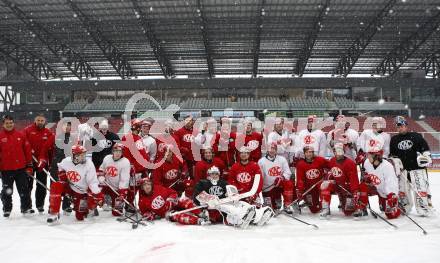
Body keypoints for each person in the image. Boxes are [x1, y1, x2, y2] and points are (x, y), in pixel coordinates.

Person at [193, 166, 272, 228]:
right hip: (213, 208)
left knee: (240, 203)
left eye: (216, 173)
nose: (214, 175)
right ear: (209, 174)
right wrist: (209, 199)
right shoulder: (202, 183)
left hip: (224, 202)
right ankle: (240, 219)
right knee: (227, 209)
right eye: (212, 173)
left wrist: (233, 195)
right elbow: (197, 194)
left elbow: (231, 190)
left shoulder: (223, 183)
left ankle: (257, 216)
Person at [47, 145, 104, 224]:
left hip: (81, 192)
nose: (84, 157)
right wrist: (62, 174)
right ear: (74, 155)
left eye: (84, 155)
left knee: (80, 217)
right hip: (69, 187)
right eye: (81, 155)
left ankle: (91, 207)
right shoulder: (66, 161)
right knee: (56, 185)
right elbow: (60, 167)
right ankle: (54, 212)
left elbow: (92, 182)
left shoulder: (89, 165)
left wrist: (98, 194)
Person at [390, 116, 433, 216]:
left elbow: (425, 149)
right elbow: (392, 155)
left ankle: (423, 208)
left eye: (401, 125)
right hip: (403, 170)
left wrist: (426, 156)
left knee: (420, 189)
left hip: (417, 169)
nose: (400, 128)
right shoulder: (394, 140)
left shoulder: (416, 136)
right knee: (403, 191)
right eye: (398, 126)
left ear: (406, 125)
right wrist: (395, 160)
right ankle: (405, 207)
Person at [138, 177, 210, 225]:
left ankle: (201, 213)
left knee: (185, 201)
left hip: (173, 203)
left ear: (151, 185)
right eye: (144, 185)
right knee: (177, 216)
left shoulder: (158, 188)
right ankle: (198, 221)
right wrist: (149, 215)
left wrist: (171, 199)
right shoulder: (142, 201)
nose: (147, 186)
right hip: (167, 213)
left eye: (148, 184)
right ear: (142, 188)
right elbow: (144, 212)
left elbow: (172, 192)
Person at [0, 115, 34, 217]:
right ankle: (7, 209)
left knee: (24, 189)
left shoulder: (20, 135)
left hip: (21, 169)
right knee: (7, 191)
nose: (9, 125)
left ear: (13, 123)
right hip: (6, 169)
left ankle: (26, 208)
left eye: (11, 122)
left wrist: (29, 165)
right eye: (7, 123)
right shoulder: (0, 136)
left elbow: (27, 152)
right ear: (3, 124)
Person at [23, 114, 55, 214]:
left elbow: (50, 151)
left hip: (42, 163)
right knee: (28, 185)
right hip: (29, 162)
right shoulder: (27, 130)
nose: (40, 122)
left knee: (41, 185)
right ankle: (26, 206)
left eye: (42, 120)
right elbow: (23, 143)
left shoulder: (48, 132)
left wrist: (49, 163)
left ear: (44, 121)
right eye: (38, 120)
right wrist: (28, 151)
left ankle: (40, 205)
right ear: (35, 121)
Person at [320, 143, 361, 219]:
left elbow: (354, 180)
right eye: (336, 151)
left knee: (348, 212)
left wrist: (354, 191)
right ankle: (325, 209)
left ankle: (357, 207)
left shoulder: (350, 163)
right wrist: (328, 178)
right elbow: (331, 172)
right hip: (336, 185)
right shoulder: (332, 160)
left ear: (343, 152)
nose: (338, 153)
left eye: (340, 151)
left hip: (347, 188)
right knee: (325, 186)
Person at [359, 147, 401, 219]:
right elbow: (367, 174)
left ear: (376, 156)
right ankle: (362, 208)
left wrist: (391, 196)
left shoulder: (387, 167)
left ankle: (398, 206)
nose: (367, 157)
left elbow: (391, 183)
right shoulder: (367, 163)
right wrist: (367, 178)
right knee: (362, 186)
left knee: (390, 215)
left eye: (369, 155)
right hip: (376, 187)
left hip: (386, 192)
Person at [121, 119, 150, 213]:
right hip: (135, 169)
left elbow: (142, 152)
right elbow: (125, 154)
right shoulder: (127, 138)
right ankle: (129, 204)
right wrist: (130, 166)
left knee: (143, 188)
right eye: (139, 126)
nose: (140, 128)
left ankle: (144, 204)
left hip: (142, 168)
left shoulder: (138, 138)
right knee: (133, 188)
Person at [258, 143, 294, 211]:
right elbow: (260, 177)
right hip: (268, 188)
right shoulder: (261, 162)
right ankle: (276, 200)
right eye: (270, 149)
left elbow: (288, 172)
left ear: (276, 150)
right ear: (267, 150)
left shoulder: (282, 159)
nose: (272, 150)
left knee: (289, 183)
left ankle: (287, 204)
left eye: (274, 149)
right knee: (272, 208)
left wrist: (282, 178)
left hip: (279, 185)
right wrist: (261, 189)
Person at [97, 143, 130, 216]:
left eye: (120, 151)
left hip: (117, 189)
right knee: (94, 192)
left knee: (117, 213)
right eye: (116, 151)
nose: (118, 153)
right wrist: (101, 176)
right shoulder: (107, 158)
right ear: (112, 151)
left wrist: (122, 192)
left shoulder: (125, 162)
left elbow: (124, 179)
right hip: (106, 186)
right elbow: (102, 168)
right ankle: (95, 206)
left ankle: (112, 203)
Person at [295, 146, 329, 214]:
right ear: (304, 153)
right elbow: (300, 179)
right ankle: (310, 202)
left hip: (319, 184)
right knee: (314, 210)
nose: (309, 154)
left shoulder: (320, 160)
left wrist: (328, 174)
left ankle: (326, 206)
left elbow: (331, 165)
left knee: (324, 188)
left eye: (310, 152)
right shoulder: (300, 164)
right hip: (309, 187)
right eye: (307, 152)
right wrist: (300, 190)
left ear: (313, 153)